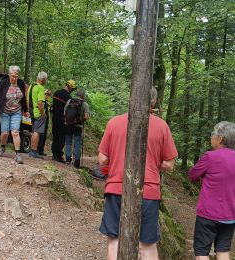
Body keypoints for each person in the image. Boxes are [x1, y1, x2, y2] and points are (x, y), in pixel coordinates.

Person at [98, 87, 178, 260]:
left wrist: (117, 160)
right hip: (148, 191)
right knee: (147, 246)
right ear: (154, 102)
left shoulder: (114, 122)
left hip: (116, 187)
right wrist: (154, 163)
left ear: (131, 97)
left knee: (114, 240)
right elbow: (169, 164)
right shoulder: (162, 126)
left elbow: (102, 159)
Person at [188, 121, 235, 260]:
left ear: (220, 138)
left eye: (213, 134)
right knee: (223, 250)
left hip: (208, 214)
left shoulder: (210, 156)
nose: (211, 137)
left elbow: (192, 175)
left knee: (202, 252)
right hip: (230, 214)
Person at [0, 65, 28, 164]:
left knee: (15, 132)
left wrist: (26, 110)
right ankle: (2, 147)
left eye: (16, 76)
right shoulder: (3, 83)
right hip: (4, 111)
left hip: (17, 112)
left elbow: (23, 98)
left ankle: (18, 154)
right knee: (5, 133)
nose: (14, 78)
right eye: (13, 76)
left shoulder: (21, 83)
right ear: (9, 75)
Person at [51, 80, 77, 162]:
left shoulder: (56, 93)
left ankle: (54, 154)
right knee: (61, 138)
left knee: (55, 136)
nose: (72, 91)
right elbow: (69, 112)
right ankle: (58, 155)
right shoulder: (68, 98)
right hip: (62, 120)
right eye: (72, 89)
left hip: (54, 118)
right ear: (69, 87)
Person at [64, 89, 90, 168]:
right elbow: (86, 117)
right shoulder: (84, 104)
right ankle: (77, 162)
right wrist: (80, 120)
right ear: (83, 95)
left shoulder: (69, 101)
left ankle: (68, 159)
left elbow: (64, 112)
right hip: (78, 126)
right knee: (77, 143)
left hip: (68, 124)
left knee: (68, 142)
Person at [27, 72, 48, 159]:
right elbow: (40, 103)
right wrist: (43, 113)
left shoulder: (31, 86)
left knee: (33, 131)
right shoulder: (41, 88)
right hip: (38, 113)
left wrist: (29, 111)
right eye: (46, 80)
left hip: (32, 112)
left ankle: (32, 150)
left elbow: (28, 101)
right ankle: (34, 151)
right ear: (43, 80)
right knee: (37, 132)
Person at [37, 89, 52, 156]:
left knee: (44, 135)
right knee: (41, 134)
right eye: (46, 94)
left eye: (48, 95)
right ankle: (37, 149)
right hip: (41, 119)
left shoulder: (47, 102)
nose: (47, 96)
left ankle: (41, 150)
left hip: (46, 120)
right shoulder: (41, 101)